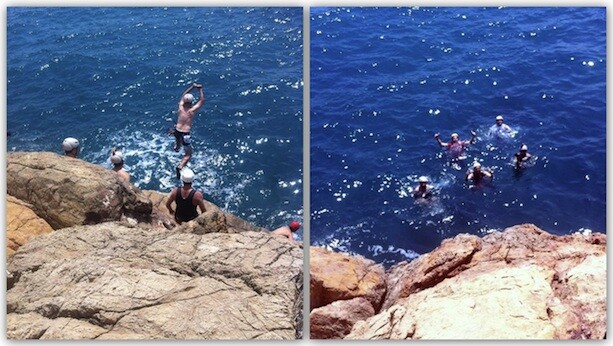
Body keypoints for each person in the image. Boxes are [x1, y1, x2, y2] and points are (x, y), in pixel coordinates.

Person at [172, 83, 205, 179]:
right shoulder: (192, 110)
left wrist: (192, 87)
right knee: (188, 154)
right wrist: (200, 89)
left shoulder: (180, 108)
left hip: (177, 130)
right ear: (191, 103)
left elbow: (183, 95)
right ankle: (180, 167)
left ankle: (177, 147)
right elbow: (202, 100)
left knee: (178, 142)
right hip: (185, 134)